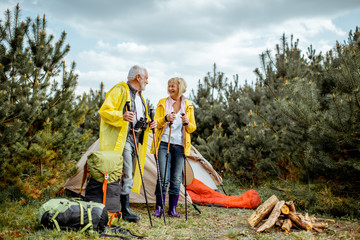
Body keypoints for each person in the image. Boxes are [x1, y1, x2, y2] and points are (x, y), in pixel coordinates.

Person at [98, 65, 157, 223]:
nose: (147, 82)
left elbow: (139, 118)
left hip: (137, 139)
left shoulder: (140, 96)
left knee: (128, 174)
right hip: (123, 139)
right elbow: (104, 111)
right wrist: (121, 116)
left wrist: (151, 124)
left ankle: (121, 207)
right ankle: (123, 209)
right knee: (126, 173)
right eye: (146, 78)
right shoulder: (120, 90)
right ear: (139, 77)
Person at [151, 77, 196, 218]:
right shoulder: (162, 103)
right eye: (169, 86)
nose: (170, 88)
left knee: (176, 179)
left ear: (180, 87)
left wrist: (187, 123)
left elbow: (192, 128)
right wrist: (165, 119)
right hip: (164, 143)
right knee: (163, 177)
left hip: (180, 146)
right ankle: (159, 208)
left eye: (173, 86)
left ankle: (173, 209)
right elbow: (155, 123)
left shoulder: (188, 105)